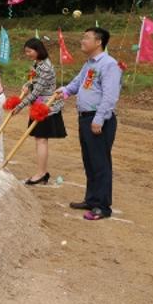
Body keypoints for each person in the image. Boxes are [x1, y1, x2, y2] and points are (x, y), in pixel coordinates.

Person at [56, 27, 122, 221]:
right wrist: (66, 91)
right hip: (85, 117)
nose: (82, 41)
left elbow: (110, 96)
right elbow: (78, 83)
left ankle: (102, 206)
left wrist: (99, 118)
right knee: (89, 161)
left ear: (98, 41)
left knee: (100, 163)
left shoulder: (109, 64)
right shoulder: (89, 64)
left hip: (98, 119)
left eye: (86, 37)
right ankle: (92, 199)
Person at [11, 38, 67, 185]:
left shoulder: (45, 68)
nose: (27, 54)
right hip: (39, 106)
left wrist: (19, 106)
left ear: (38, 50)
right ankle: (42, 172)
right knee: (39, 139)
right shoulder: (38, 64)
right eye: (26, 52)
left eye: (29, 51)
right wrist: (26, 85)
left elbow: (36, 92)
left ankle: (42, 173)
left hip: (46, 108)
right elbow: (33, 82)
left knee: (41, 140)